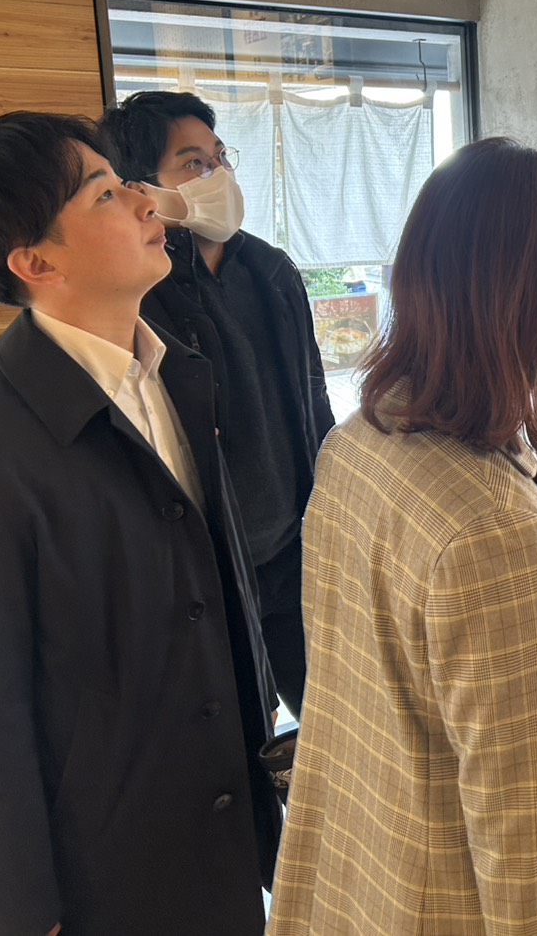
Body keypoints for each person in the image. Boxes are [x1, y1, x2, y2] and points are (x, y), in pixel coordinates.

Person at [0, 113, 281, 935]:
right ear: (36, 263)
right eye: (106, 194)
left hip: (219, 836)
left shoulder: (178, 378)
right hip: (103, 879)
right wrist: (13, 913)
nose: (149, 203)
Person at [268, 137, 537, 936]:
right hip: (453, 900)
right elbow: (525, 849)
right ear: (531, 303)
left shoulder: (359, 442)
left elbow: (405, 656)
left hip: (370, 864)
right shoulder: (494, 528)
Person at [98, 91, 333, 717]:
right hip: (208, 571)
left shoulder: (271, 270)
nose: (218, 175)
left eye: (221, 157)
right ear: (141, 186)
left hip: (298, 549)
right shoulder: (139, 292)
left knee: (333, 723)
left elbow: (313, 396)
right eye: (193, 163)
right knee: (240, 731)